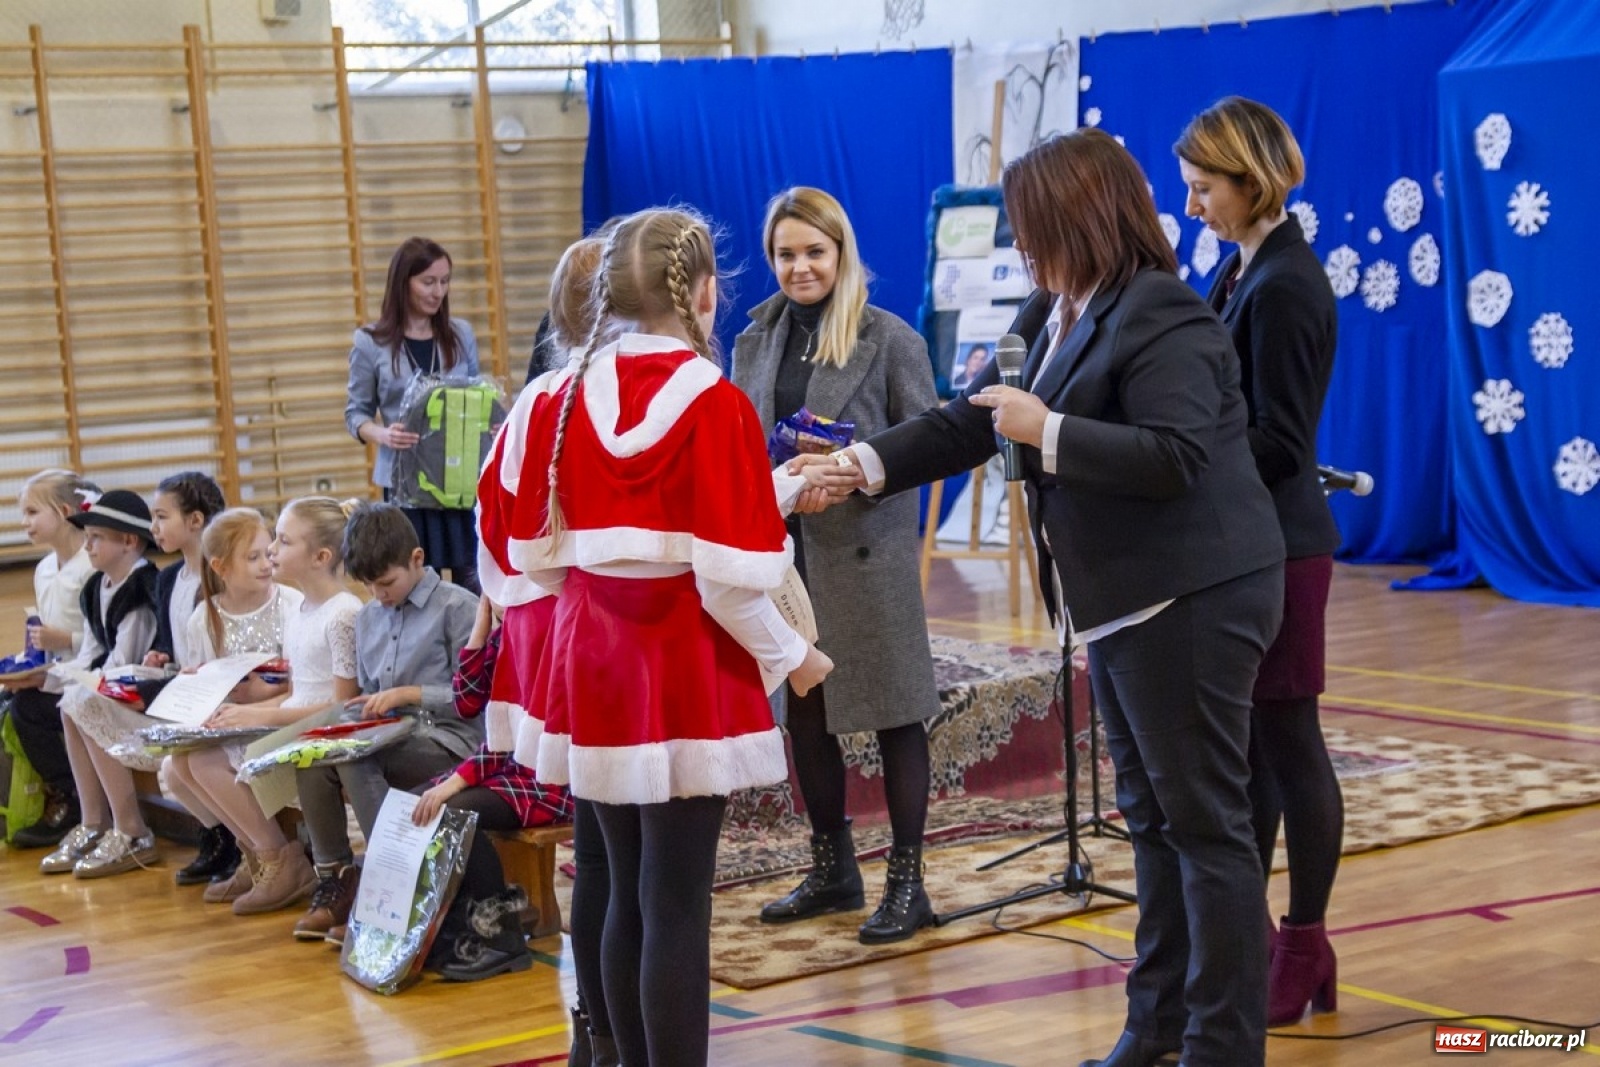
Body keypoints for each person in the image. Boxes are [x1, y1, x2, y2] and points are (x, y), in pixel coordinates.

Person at [794, 129, 1286, 1067]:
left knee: (1206, 827)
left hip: (1194, 594)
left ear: (1081, 217)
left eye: (1033, 228)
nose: (1023, 248)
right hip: (1128, 603)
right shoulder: (1059, 307)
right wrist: (857, 465)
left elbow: (1178, 458)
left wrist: (1050, 428)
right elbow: (965, 419)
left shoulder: (1164, 314)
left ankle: (1224, 1046)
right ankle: (1155, 1030)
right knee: (1152, 821)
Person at [505, 207, 833, 1067]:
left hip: (593, 657)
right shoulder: (711, 398)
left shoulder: (560, 395)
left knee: (620, 892)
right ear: (701, 292)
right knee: (677, 900)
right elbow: (729, 579)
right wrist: (794, 656)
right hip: (683, 661)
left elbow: (533, 561)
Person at [731, 186, 943, 944]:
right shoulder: (753, 339)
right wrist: (780, 480)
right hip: (788, 554)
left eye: (814, 252)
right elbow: (741, 448)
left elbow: (930, 445)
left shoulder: (890, 339)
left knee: (894, 714)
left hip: (868, 550)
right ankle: (833, 868)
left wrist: (851, 468)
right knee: (807, 717)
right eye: (786, 254)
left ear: (841, 252)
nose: (800, 267)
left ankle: (909, 882)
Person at [1177, 96, 1345, 1028]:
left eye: (1205, 188)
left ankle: (1305, 939)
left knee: (1289, 747)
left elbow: (1283, 438)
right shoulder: (1245, 266)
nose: (1193, 204)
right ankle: (1252, 938)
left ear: (1252, 182)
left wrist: (1184, 462)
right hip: (1249, 543)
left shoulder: (1285, 284)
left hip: (1282, 547)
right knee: (1249, 756)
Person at [477, 234, 618, 1063]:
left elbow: (493, 546)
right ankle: (605, 1034)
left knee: (591, 858)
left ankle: (590, 1033)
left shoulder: (533, 403)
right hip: (594, 644)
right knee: (614, 865)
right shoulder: (586, 400)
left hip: (548, 647)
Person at [291, 501, 480, 943]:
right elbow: (373, 694)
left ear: (417, 560)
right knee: (313, 755)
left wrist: (410, 694)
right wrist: (361, 710)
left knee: (357, 760)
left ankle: (390, 883)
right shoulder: (370, 618)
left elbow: (479, 699)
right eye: (369, 586)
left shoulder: (459, 607)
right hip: (394, 736)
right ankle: (337, 880)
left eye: (387, 582)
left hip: (453, 741)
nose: (379, 594)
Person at [410, 597, 573, 982]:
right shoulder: (505, 633)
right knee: (413, 803)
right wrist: (482, 628)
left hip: (549, 776)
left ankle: (503, 938)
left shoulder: (544, 628)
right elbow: (465, 701)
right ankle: (448, 924)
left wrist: (457, 781)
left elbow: (509, 738)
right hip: (509, 768)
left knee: (453, 812)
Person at [162, 507, 314, 914]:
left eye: (269, 553)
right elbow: (207, 688)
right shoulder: (204, 619)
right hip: (238, 725)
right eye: (253, 557)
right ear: (220, 567)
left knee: (206, 762)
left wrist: (257, 700)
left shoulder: (291, 605)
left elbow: (307, 689)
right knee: (179, 765)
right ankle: (255, 854)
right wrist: (198, 686)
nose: (267, 563)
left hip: (286, 719)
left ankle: (281, 858)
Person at [345, 236, 482, 594]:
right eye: (428, 282)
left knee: (471, 573)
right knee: (421, 579)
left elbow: (477, 397)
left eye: (445, 281)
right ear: (403, 282)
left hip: (456, 477)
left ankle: (474, 648)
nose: (438, 291)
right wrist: (383, 434)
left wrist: (490, 422)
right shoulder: (370, 342)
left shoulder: (460, 334)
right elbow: (355, 414)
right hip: (405, 481)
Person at [38, 489, 163, 879]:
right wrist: (50, 676)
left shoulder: (141, 586)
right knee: (69, 703)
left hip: (145, 693)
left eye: (96, 538)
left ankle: (132, 829)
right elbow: (91, 652)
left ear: (129, 541)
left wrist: (85, 684)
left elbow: (125, 659)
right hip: (113, 684)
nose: (87, 546)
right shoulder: (97, 587)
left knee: (84, 701)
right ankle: (93, 821)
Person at [144, 471, 236, 886]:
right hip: (183, 686)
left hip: (217, 689)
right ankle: (215, 834)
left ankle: (228, 838)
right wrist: (160, 653)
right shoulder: (167, 579)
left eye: (162, 517)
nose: (155, 528)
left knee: (180, 760)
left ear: (195, 520)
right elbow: (172, 640)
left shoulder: (220, 575)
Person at [4, 470, 98, 848]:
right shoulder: (44, 569)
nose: (23, 522)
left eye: (31, 512)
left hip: (89, 674)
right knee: (9, 700)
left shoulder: (90, 566)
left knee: (27, 709)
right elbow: (46, 639)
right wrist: (28, 664)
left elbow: (99, 642)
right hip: (58, 671)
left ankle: (72, 797)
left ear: (62, 512)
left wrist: (64, 640)